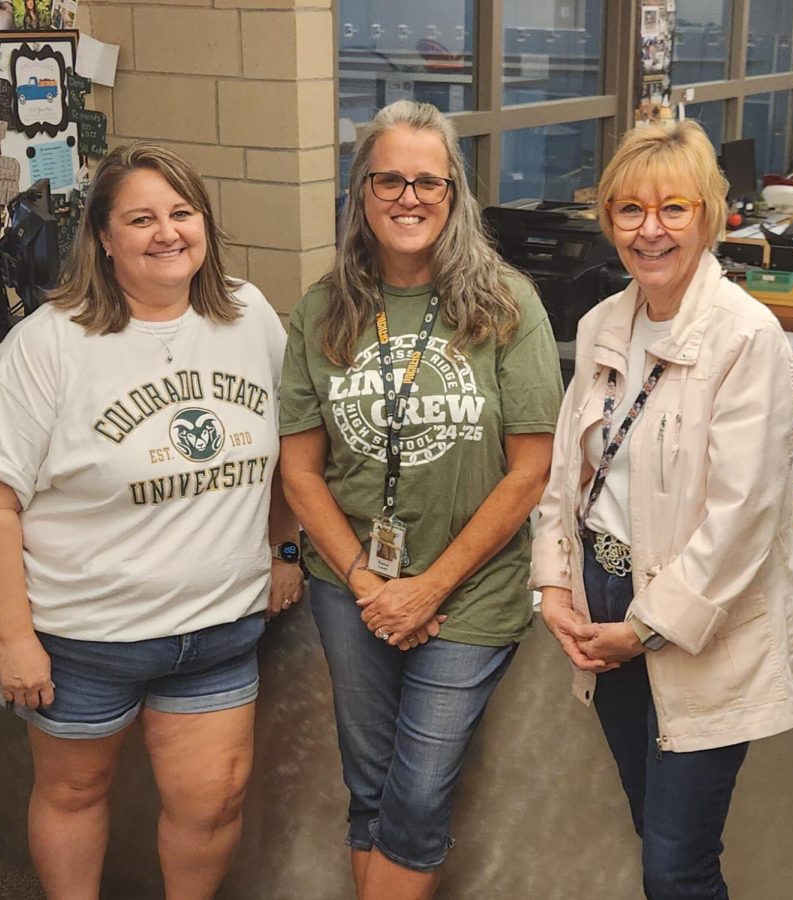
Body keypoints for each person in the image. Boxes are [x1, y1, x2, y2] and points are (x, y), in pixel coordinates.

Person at [0, 142, 303, 900]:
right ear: (104, 239)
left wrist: (284, 549)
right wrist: (14, 639)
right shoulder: (48, 343)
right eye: (140, 218)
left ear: (205, 223)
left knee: (212, 804)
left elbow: (290, 450)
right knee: (74, 794)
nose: (166, 232)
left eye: (182, 213)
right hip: (84, 639)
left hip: (215, 630)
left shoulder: (248, 317)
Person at [531, 119, 793, 900]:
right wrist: (556, 585)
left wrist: (645, 627)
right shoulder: (601, 324)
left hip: (695, 622)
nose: (649, 230)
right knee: (651, 825)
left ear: (711, 216)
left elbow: (742, 520)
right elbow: (568, 475)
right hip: (607, 604)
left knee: (675, 862)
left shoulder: (746, 338)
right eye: (629, 210)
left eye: (673, 209)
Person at [279, 100, 563, 900]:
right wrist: (371, 586)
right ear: (361, 193)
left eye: (428, 182)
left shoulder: (506, 304)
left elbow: (530, 470)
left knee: (417, 791)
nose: (410, 198)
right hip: (352, 588)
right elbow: (300, 471)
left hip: (470, 593)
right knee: (368, 785)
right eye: (390, 180)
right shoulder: (321, 309)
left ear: (455, 195)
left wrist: (428, 587)